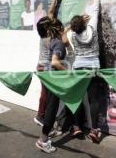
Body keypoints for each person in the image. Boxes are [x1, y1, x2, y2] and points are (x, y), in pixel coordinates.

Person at [67, 0, 103, 142]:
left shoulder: (73, 36)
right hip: (93, 67)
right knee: (93, 99)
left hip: (78, 68)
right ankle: (94, 130)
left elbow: (69, 30)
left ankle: (76, 127)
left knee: (77, 97)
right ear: (84, 23)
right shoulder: (92, 29)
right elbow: (95, 9)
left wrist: (77, 22)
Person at [36, 19, 67, 153]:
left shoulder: (47, 39)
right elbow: (55, 63)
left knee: (50, 106)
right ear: (59, 28)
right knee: (51, 109)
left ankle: (46, 134)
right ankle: (43, 140)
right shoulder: (57, 42)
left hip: (46, 76)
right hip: (52, 78)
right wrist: (68, 73)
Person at [34, 0, 62, 127]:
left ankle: (42, 116)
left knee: (44, 93)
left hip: (40, 66)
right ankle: (41, 117)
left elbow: (50, 13)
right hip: (47, 68)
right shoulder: (52, 39)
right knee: (48, 95)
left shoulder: (43, 35)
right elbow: (64, 41)